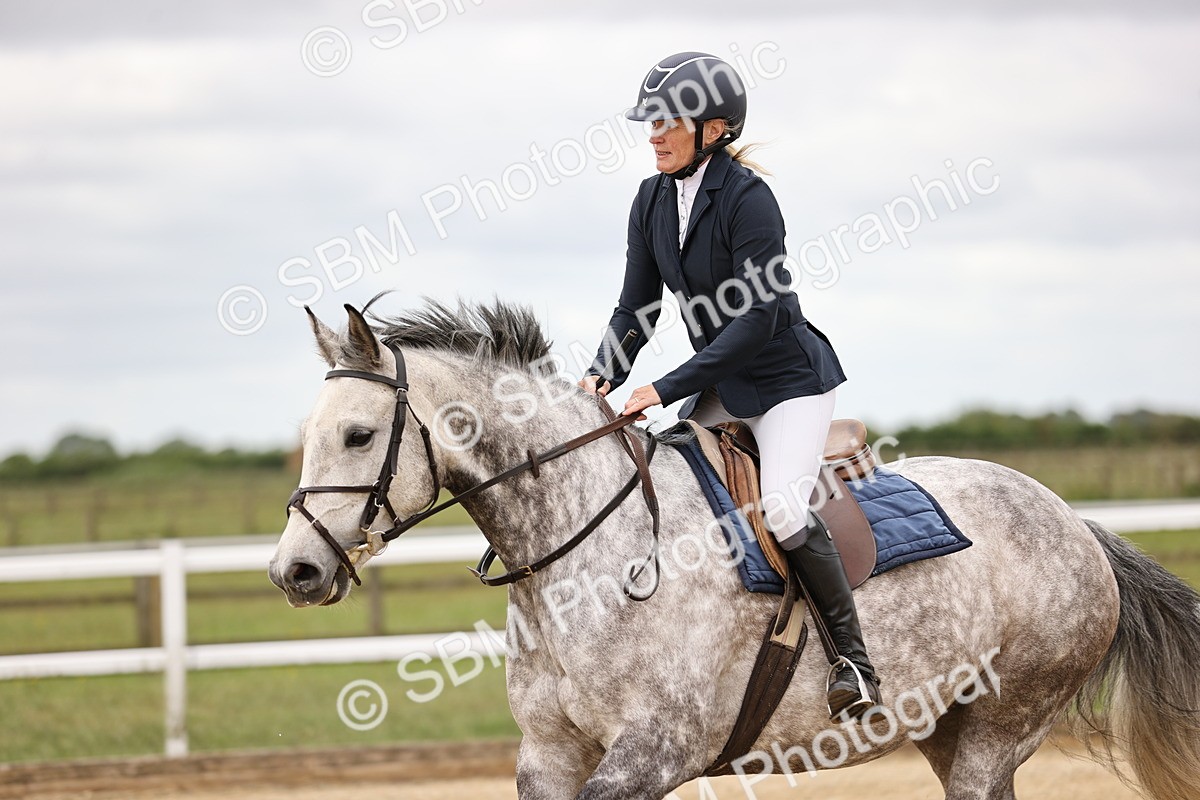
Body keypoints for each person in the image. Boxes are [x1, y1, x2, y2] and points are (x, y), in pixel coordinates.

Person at [578, 51, 881, 719]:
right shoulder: (652, 198)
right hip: (722, 381)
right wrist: (603, 372)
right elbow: (637, 306)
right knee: (674, 489)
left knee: (781, 509)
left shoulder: (749, 198)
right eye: (649, 120)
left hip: (788, 382)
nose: (653, 132)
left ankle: (854, 665)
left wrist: (666, 384)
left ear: (713, 129)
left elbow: (761, 316)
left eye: (667, 120)